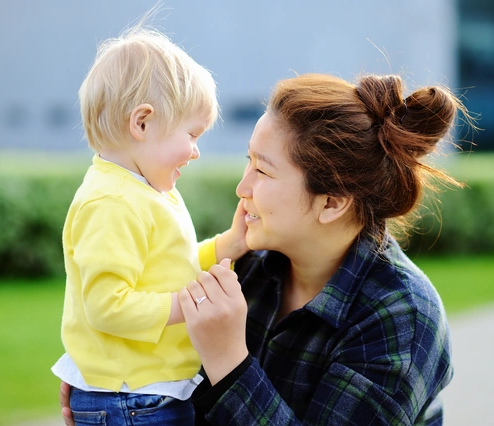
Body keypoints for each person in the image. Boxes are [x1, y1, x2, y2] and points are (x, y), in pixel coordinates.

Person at [62, 71, 470, 425]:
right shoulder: (248, 265)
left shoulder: (401, 319)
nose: (242, 188)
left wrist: (229, 363)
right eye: (248, 161)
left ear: (332, 202)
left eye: (262, 169)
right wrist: (110, 385)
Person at [51, 22, 248, 426]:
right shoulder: (112, 202)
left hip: (144, 392)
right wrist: (191, 306)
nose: (195, 152)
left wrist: (226, 245)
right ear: (142, 123)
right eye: (192, 134)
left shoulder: (143, 190)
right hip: (132, 399)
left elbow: (164, 266)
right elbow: (106, 307)